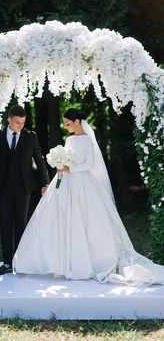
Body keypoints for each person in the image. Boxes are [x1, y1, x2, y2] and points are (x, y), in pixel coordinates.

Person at [13, 108, 164, 285]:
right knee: (58, 219)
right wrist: (58, 177)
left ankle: (87, 261)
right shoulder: (69, 140)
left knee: (85, 219)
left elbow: (89, 164)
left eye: (68, 123)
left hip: (83, 183)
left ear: (77, 122)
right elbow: (65, 163)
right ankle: (60, 262)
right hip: (66, 182)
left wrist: (71, 169)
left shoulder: (88, 141)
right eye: (64, 123)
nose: (65, 126)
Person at [0, 105, 50, 275]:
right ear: (9, 120)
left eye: (22, 123)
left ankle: (21, 262)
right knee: (5, 225)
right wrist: (1, 171)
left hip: (24, 187)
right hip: (3, 187)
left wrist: (46, 182)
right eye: (16, 123)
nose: (20, 126)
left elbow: (39, 158)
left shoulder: (31, 136)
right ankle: (7, 263)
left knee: (21, 224)